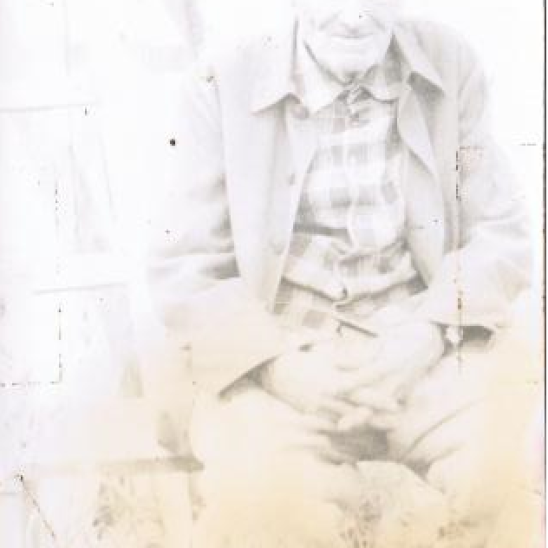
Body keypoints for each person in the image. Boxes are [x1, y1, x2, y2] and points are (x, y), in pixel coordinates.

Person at [148, 0, 536, 545]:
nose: (353, 16)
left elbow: (500, 231)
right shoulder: (220, 84)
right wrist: (280, 369)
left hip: (425, 356)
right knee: (264, 508)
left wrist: (427, 335)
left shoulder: (450, 65)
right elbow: (187, 266)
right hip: (280, 370)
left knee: (510, 476)